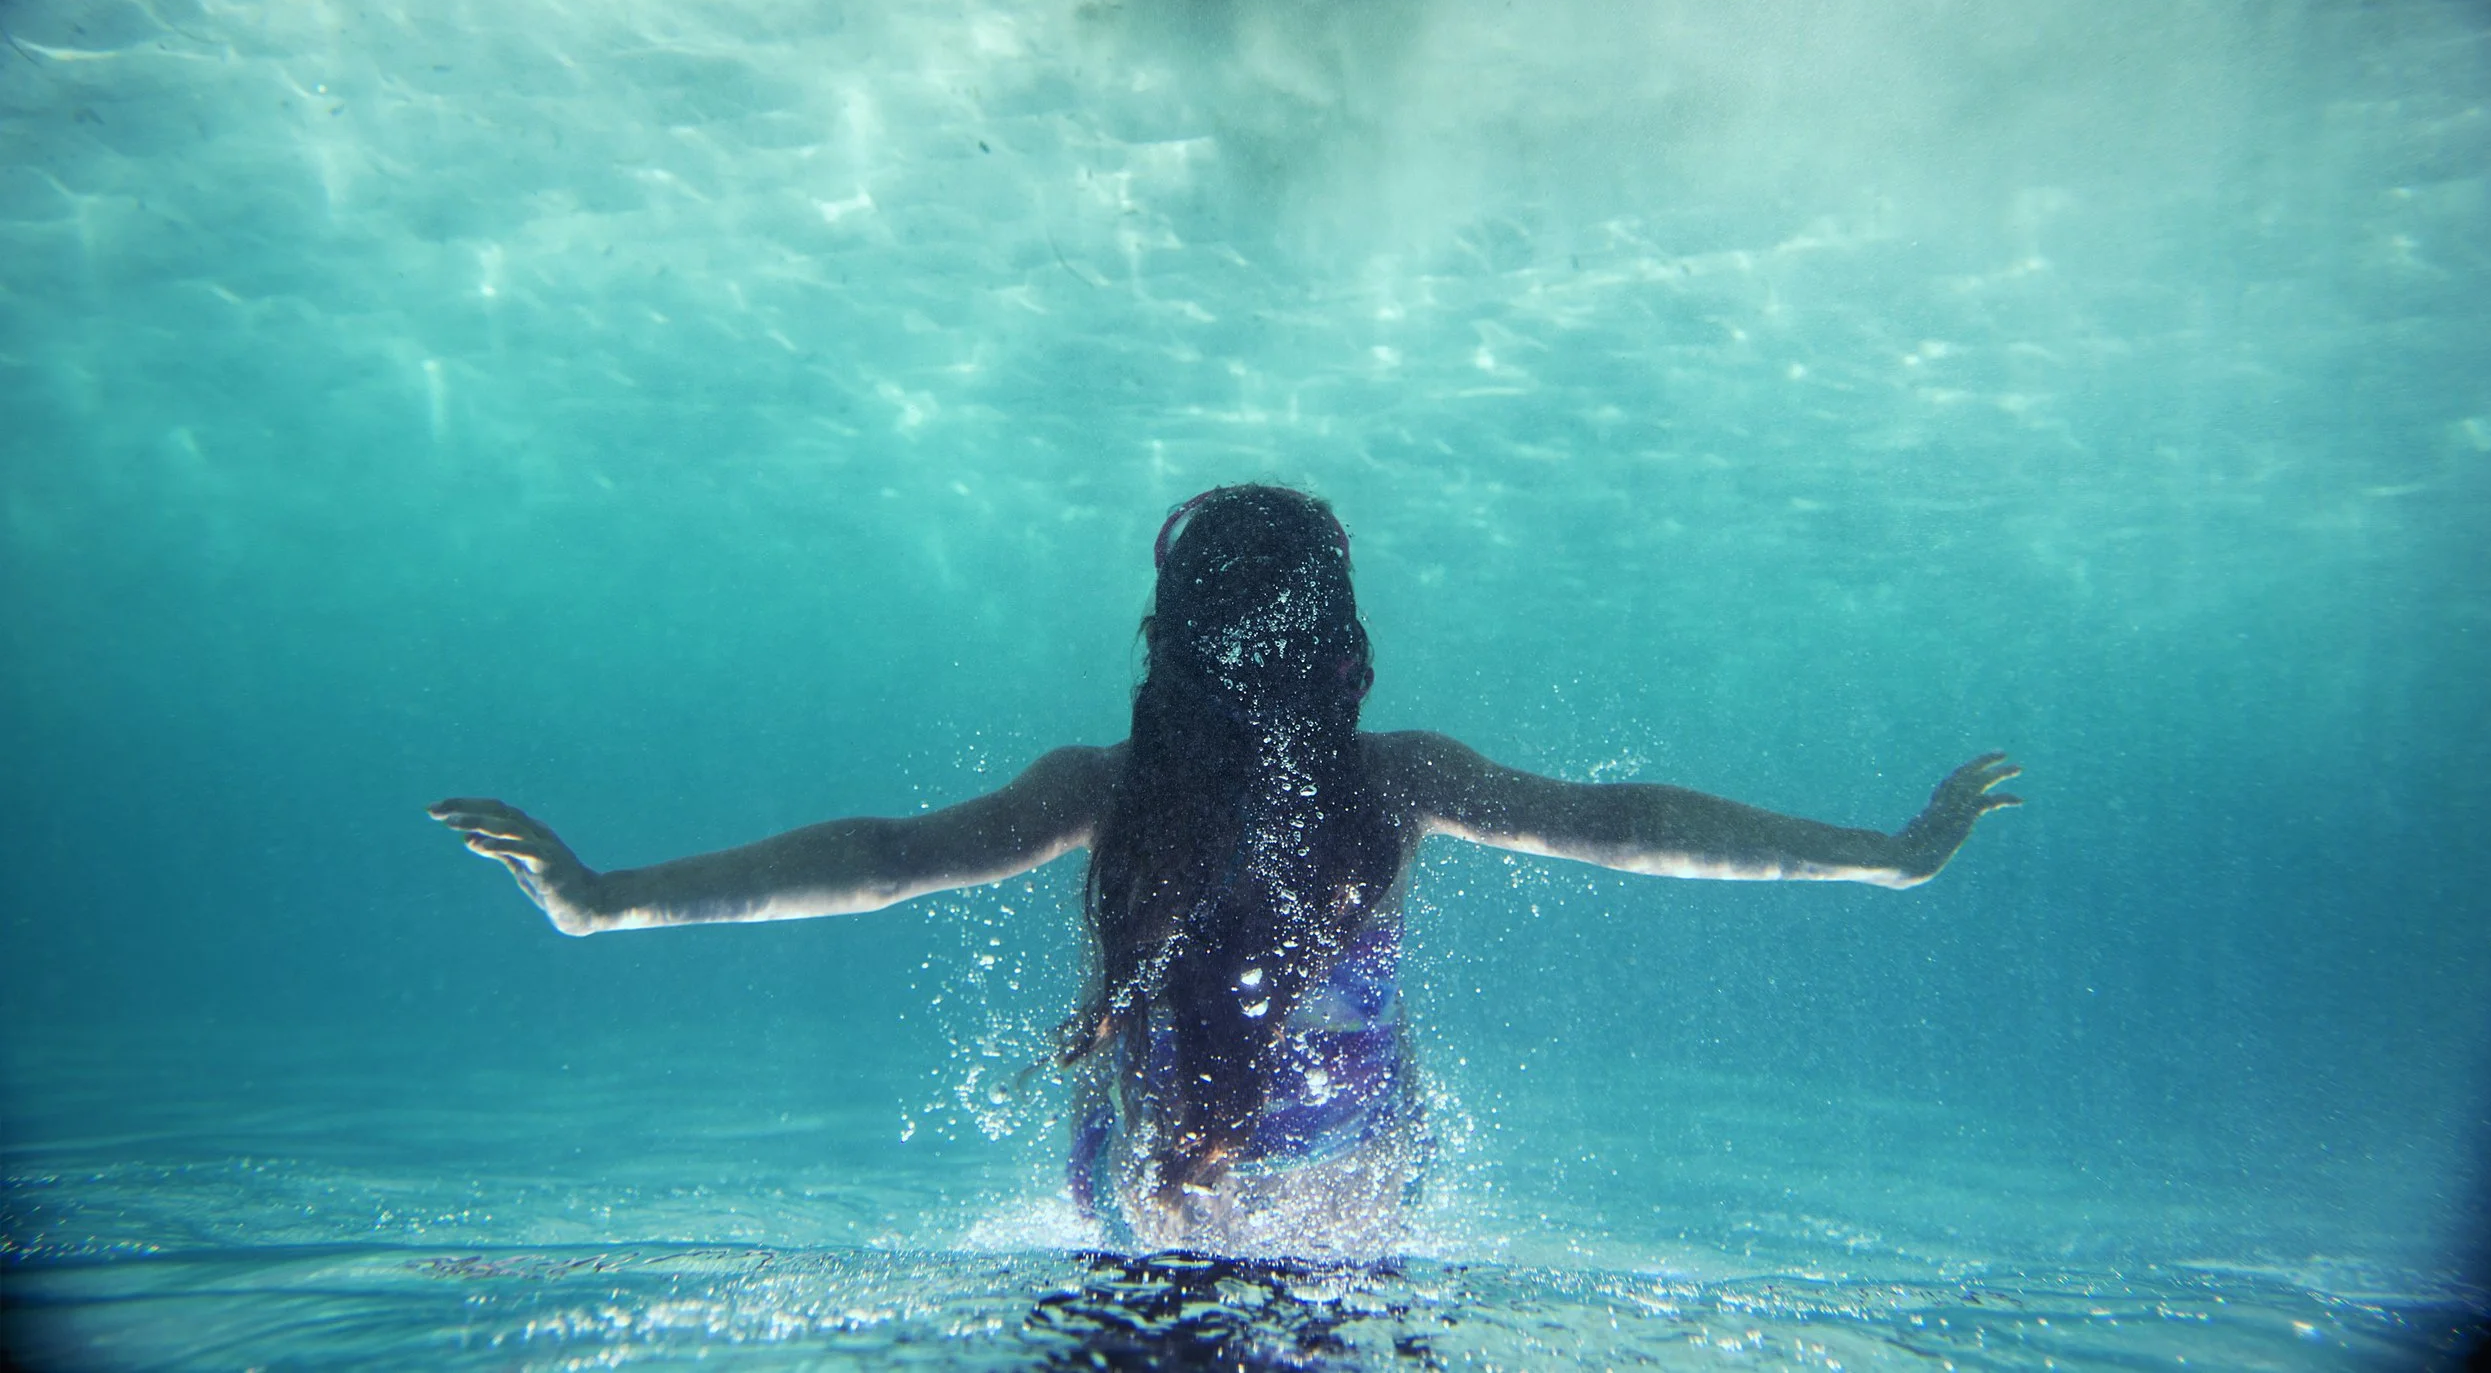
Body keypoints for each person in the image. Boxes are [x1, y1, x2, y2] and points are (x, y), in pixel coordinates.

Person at [431, 484, 2021, 1258]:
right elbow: (1625, 823)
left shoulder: (1103, 790)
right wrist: (1878, 856)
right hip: (1349, 1210)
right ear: (1342, 650)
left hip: (1141, 1205)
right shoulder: (1403, 784)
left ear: (1167, 650)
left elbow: (882, 863)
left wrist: (611, 896)